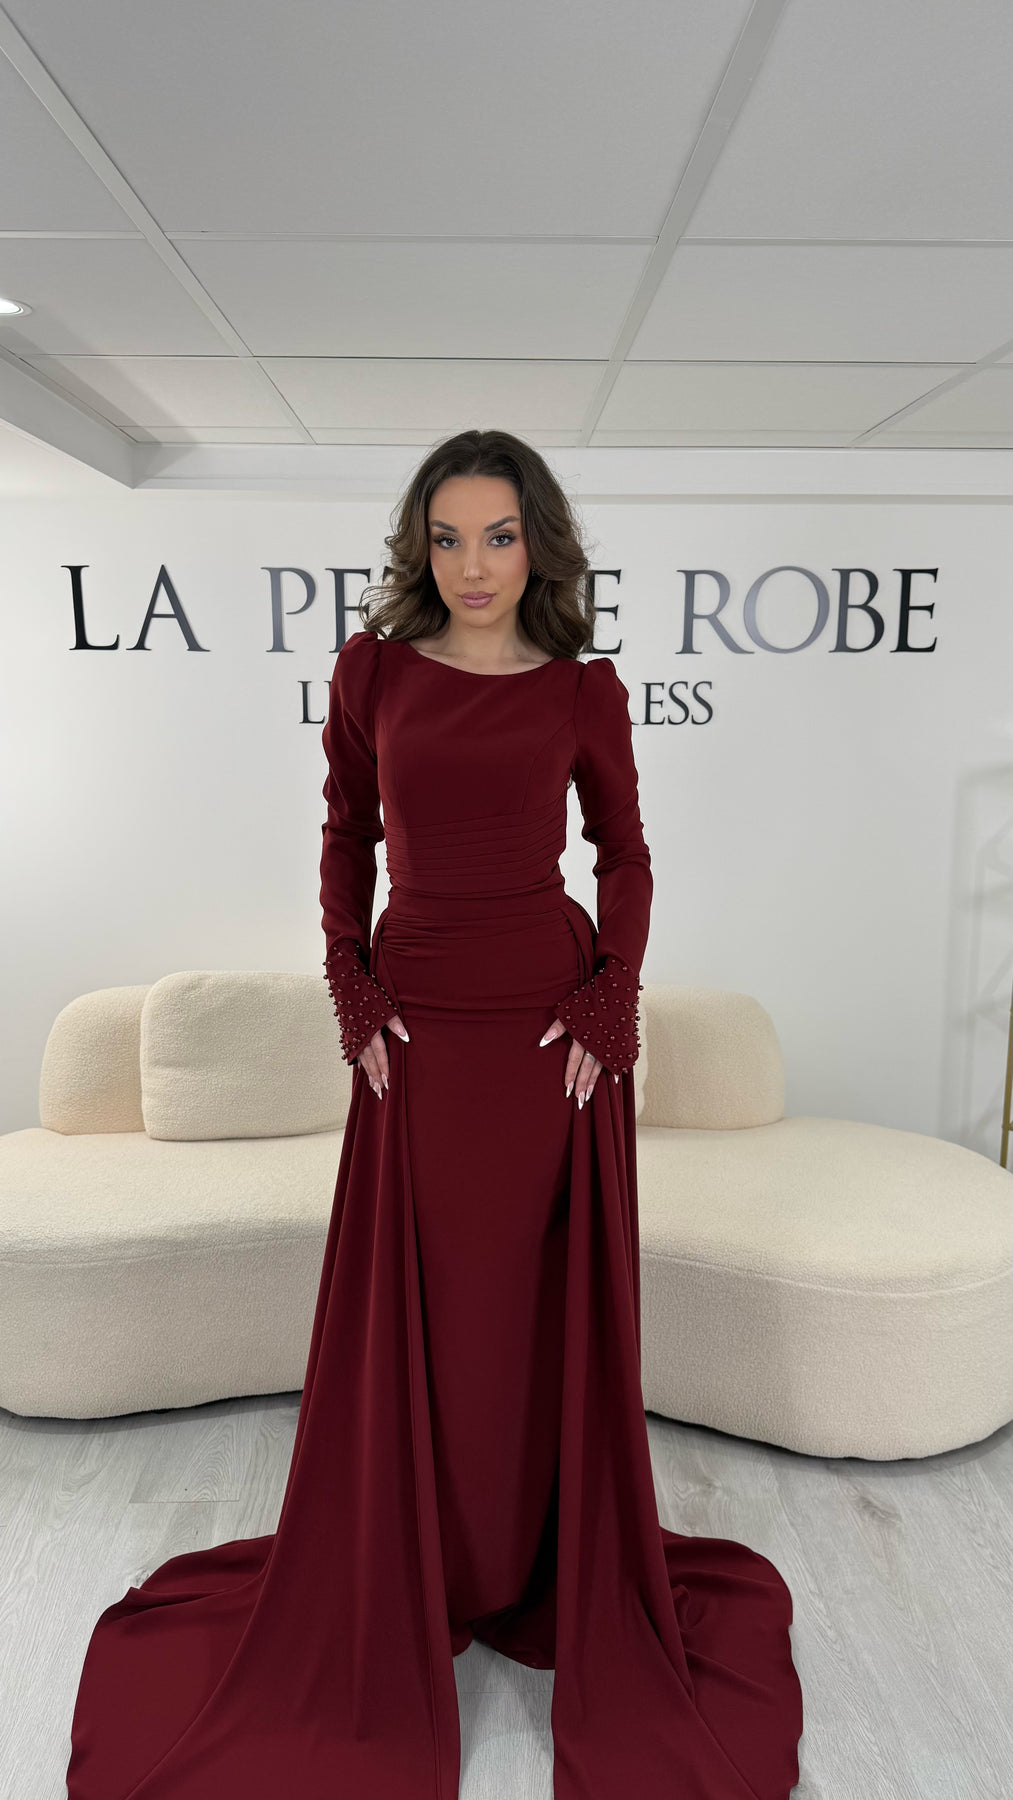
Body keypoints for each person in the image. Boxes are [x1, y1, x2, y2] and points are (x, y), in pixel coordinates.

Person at [65, 430, 803, 1798]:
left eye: (500, 536)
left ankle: (530, 1561)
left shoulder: (582, 689)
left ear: (538, 546)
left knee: (530, 1316)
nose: (473, 565)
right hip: (414, 1034)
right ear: (421, 547)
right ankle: (420, 1562)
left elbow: (625, 856)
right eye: (450, 537)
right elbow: (345, 835)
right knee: (433, 1313)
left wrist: (610, 995)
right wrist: (348, 981)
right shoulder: (374, 673)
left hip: (546, 1036)